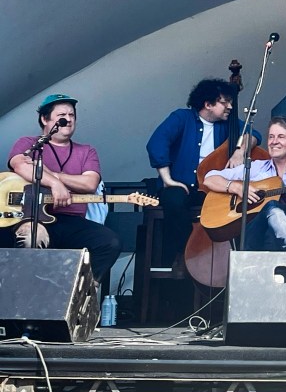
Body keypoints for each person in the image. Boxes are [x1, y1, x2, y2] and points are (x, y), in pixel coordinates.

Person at [1, 94, 121, 279]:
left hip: (71, 221)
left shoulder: (86, 151)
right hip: (33, 217)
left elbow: (89, 183)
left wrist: (55, 175)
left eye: (72, 115)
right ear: (44, 118)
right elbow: (19, 164)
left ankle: (78, 296)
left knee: (109, 242)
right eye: (62, 114)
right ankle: (26, 294)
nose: (69, 119)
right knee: (31, 238)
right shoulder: (28, 143)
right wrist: (54, 184)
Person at [146, 78, 261, 268]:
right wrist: (167, 179)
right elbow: (157, 143)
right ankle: (183, 256)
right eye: (225, 102)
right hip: (182, 186)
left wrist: (241, 150)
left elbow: (254, 134)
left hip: (211, 188)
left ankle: (224, 263)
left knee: (235, 207)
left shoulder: (228, 124)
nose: (230, 107)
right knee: (173, 200)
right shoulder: (181, 118)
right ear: (208, 104)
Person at [203, 116, 286, 251]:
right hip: (258, 236)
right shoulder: (255, 168)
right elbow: (209, 178)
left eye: (281, 137)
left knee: (273, 208)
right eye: (271, 137)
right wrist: (237, 187)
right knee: (271, 205)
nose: (274, 142)